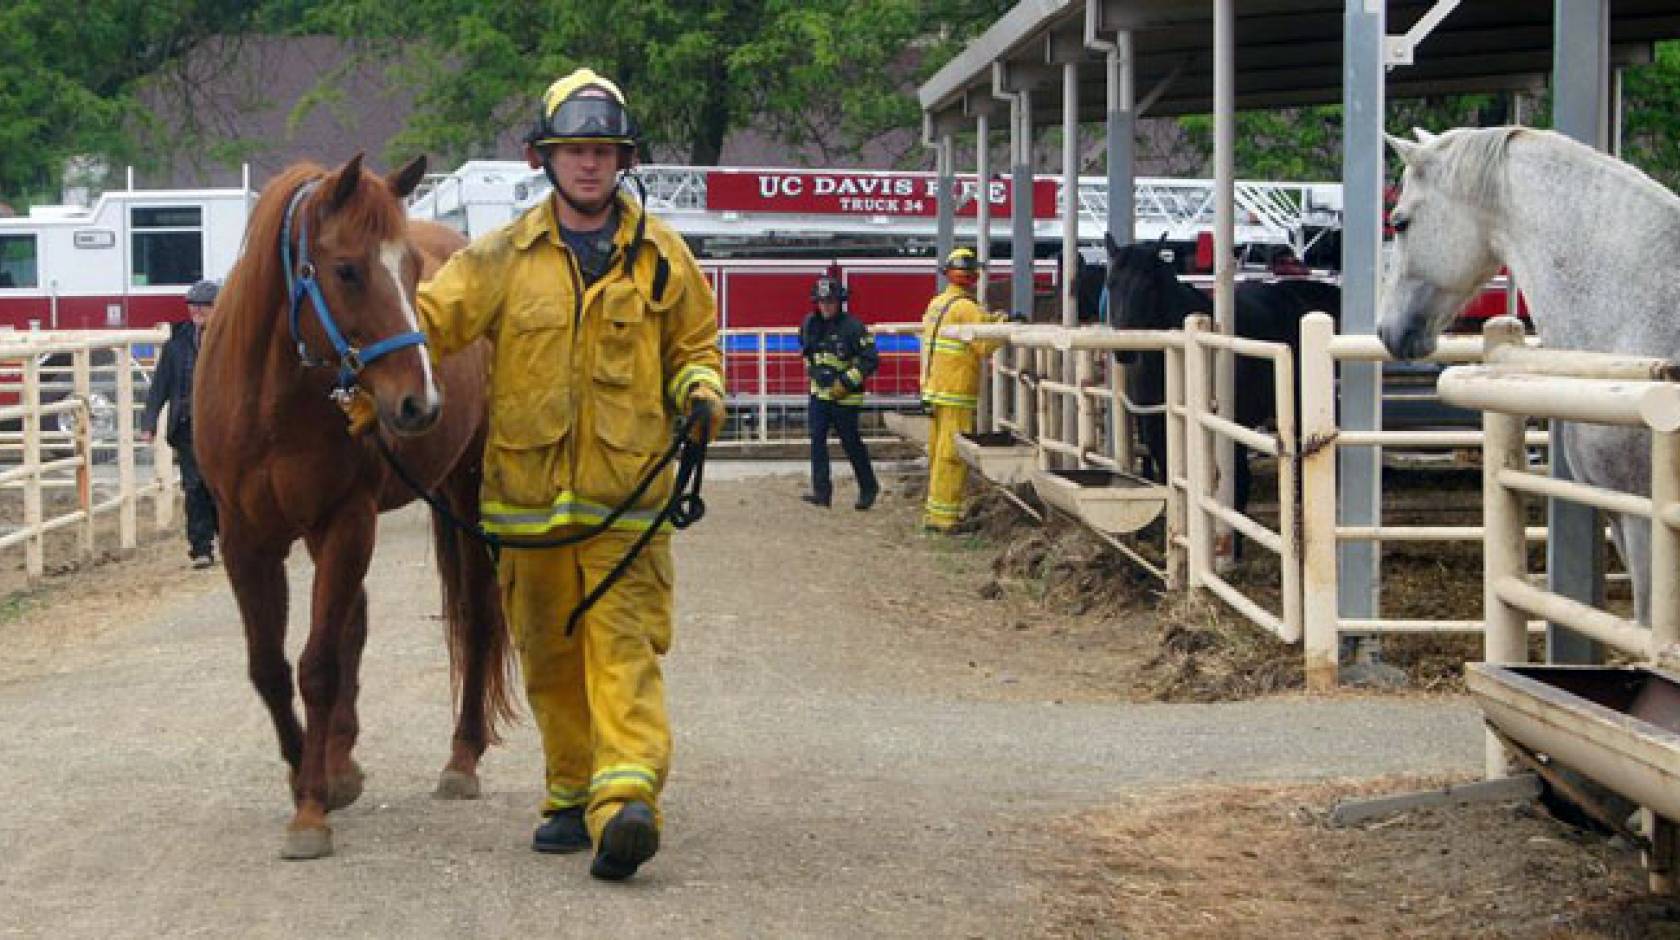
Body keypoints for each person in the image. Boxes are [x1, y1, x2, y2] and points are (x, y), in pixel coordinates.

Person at [416, 68, 723, 882]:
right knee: (550, 659)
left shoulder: (664, 259)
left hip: (626, 507)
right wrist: (358, 363)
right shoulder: (502, 258)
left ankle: (627, 803)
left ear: (623, 160)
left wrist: (702, 392)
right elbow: (428, 324)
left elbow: (696, 349)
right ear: (541, 158)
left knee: (621, 650)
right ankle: (568, 792)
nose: (589, 165)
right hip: (524, 505)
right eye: (573, 151)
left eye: (602, 151)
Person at [919, 248, 1002, 532]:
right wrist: (1003, 327)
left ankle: (934, 512)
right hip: (956, 391)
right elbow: (984, 345)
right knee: (951, 456)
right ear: (974, 276)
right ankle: (945, 518)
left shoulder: (937, 303)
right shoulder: (967, 307)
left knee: (937, 451)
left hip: (934, 388)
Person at [141, 278, 220, 568]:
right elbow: (160, 384)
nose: (198, 311)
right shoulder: (177, 342)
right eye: (193, 306)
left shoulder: (228, 339)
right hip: (187, 426)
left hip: (220, 427)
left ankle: (226, 536)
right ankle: (201, 547)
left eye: (205, 306)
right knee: (194, 485)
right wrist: (148, 423)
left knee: (220, 486)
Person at [799, 275, 880, 510]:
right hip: (819, 395)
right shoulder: (809, 324)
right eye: (822, 301)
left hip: (846, 397)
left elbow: (870, 359)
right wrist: (815, 373)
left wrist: (845, 382)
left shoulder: (853, 327)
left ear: (840, 302)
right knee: (817, 442)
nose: (825, 306)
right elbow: (807, 353)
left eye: (830, 302)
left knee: (851, 443)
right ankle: (821, 493)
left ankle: (868, 488)